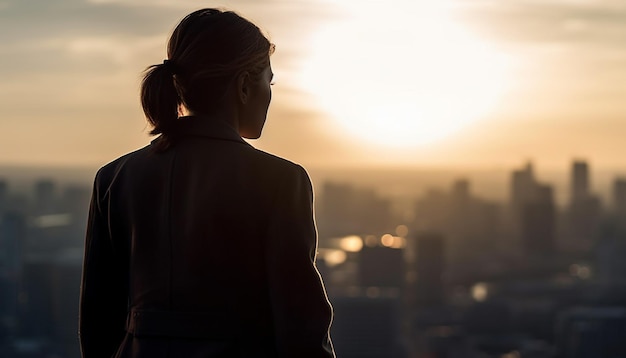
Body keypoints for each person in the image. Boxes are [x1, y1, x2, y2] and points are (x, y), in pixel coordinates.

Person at [78, 8, 335, 358]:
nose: (270, 94)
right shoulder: (280, 182)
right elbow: (301, 329)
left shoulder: (114, 178)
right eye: (268, 82)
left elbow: (97, 324)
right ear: (244, 85)